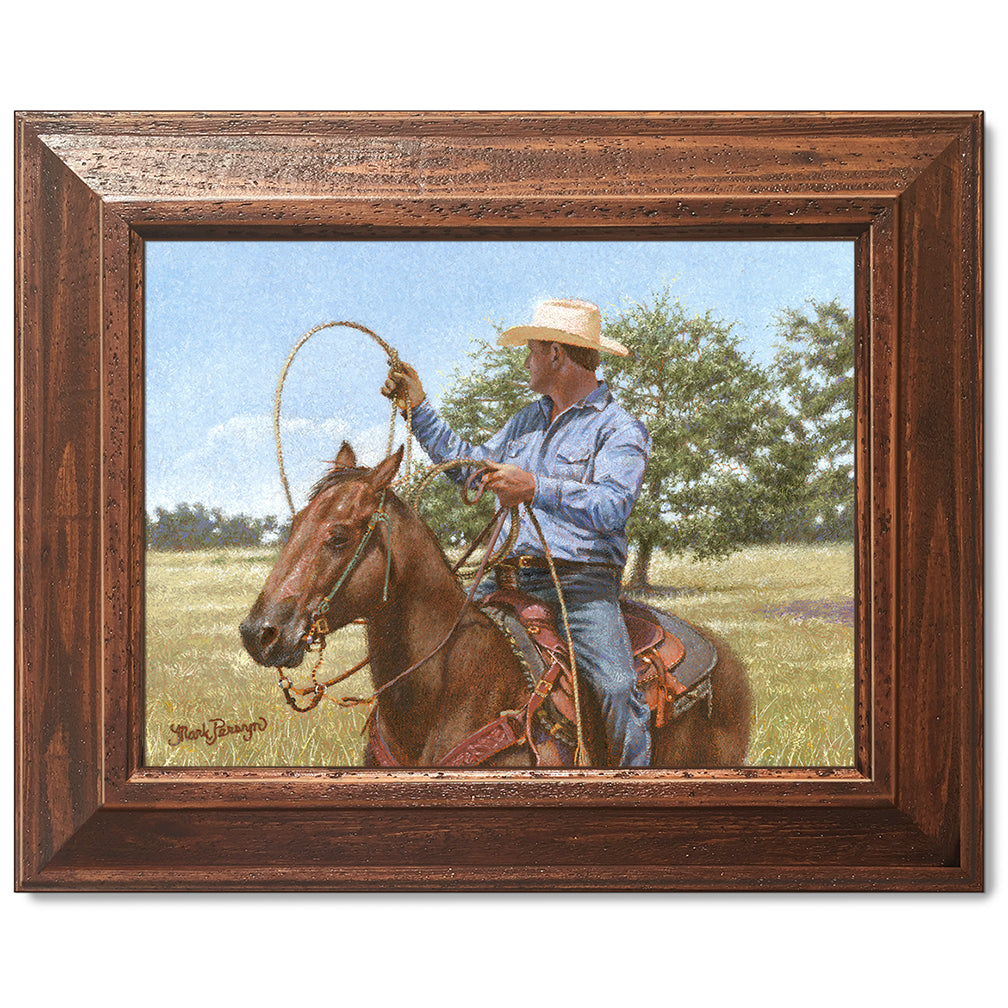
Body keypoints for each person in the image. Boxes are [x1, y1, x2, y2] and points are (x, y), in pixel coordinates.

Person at [382, 298, 652, 767]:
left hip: (582, 589)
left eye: (531, 350)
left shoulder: (619, 429)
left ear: (556, 354)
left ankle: (638, 797)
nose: (524, 362)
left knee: (617, 687)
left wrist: (535, 487)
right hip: (508, 579)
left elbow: (612, 508)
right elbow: (471, 470)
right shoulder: (527, 420)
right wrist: (419, 408)